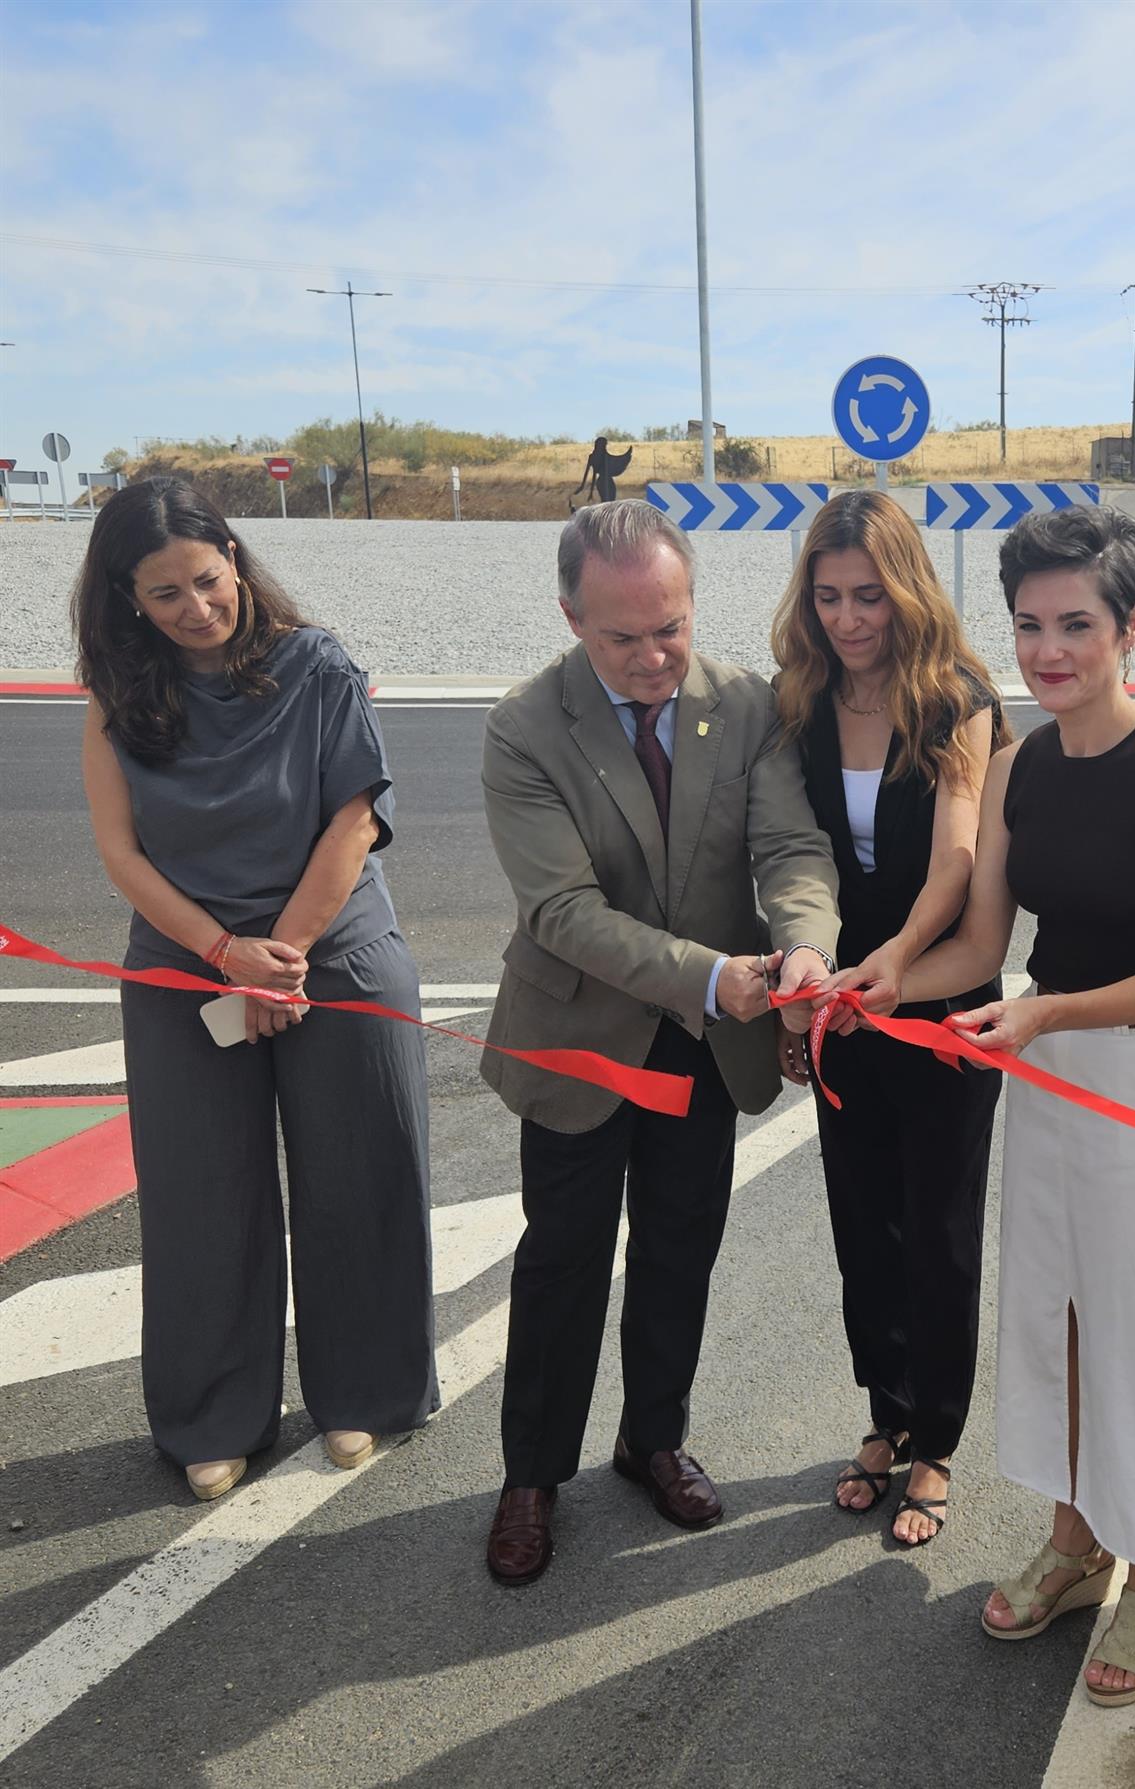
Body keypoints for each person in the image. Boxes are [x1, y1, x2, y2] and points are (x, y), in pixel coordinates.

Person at [897, 504, 1135, 1707]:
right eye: (1031, 624)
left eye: (1077, 624)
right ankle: (1077, 1537)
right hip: (1048, 1069)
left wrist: (1043, 1014)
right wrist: (870, 979)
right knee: (1061, 1317)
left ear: (1131, 625)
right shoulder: (1017, 762)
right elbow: (982, 944)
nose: (1049, 651)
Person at [479, 499, 839, 1587]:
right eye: (622, 636)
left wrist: (805, 948)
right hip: (584, 1039)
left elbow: (788, 847)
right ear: (570, 617)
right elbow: (564, 913)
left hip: (705, 1043)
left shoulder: (748, 706)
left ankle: (651, 1439)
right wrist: (716, 978)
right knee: (564, 1261)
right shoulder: (524, 726)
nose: (652, 657)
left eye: (670, 628)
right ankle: (532, 1474)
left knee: (681, 1249)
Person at [72, 477, 436, 1503]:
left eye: (206, 578)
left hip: (337, 946)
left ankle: (365, 1390)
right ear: (127, 600)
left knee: (360, 1178)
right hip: (190, 961)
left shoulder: (316, 665)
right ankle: (211, 1415)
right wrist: (226, 953)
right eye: (165, 594)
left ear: (233, 554)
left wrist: (284, 948)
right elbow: (120, 854)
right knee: (200, 1196)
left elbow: (356, 818)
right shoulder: (116, 697)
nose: (195, 606)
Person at [772, 491, 1009, 1546]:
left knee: (941, 1234)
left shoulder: (956, 697)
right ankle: (886, 1410)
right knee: (861, 1221)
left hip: (938, 1000)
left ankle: (938, 1439)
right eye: (829, 596)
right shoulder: (800, 699)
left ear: (907, 587)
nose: (850, 618)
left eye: (869, 594)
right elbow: (785, 854)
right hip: (841, 1006)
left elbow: (957, 855)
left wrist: (897, 963)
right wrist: (807, 990)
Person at [571, 435, 635, 509]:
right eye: (604, 444)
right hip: (603, 482)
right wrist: (585, 490)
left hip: (607, 481)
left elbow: (593, 474)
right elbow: (592, 474)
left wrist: (589, 491)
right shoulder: (596, 457)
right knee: (606, 503)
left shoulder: (601, 456)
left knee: (610, 503)